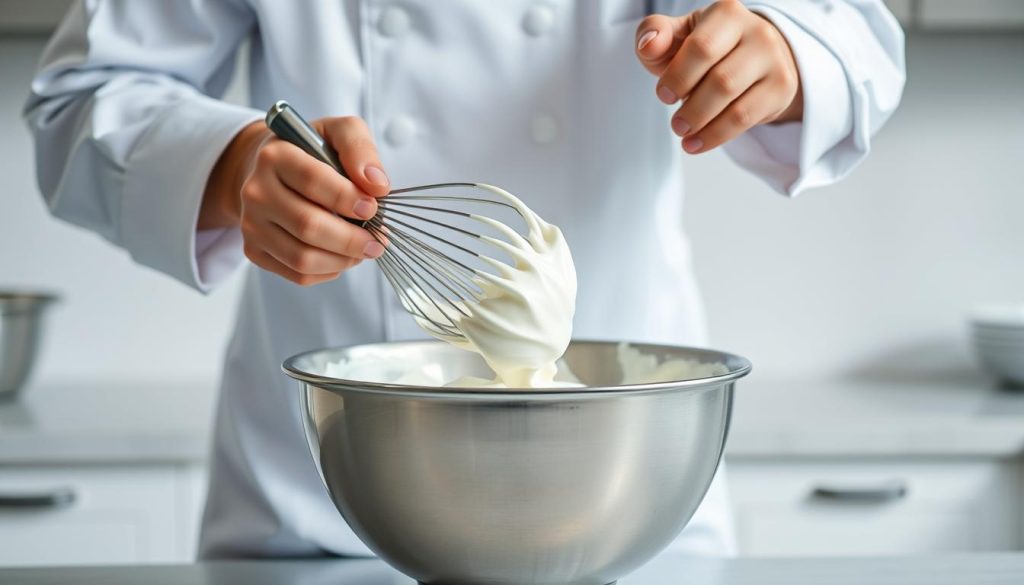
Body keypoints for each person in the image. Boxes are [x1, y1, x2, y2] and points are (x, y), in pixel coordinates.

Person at [25, 0, 904, 558]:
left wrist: (783, 48)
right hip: (316, 511)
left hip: (632, 505)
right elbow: (77, 106)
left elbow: (859, 37)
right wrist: (235, 165)